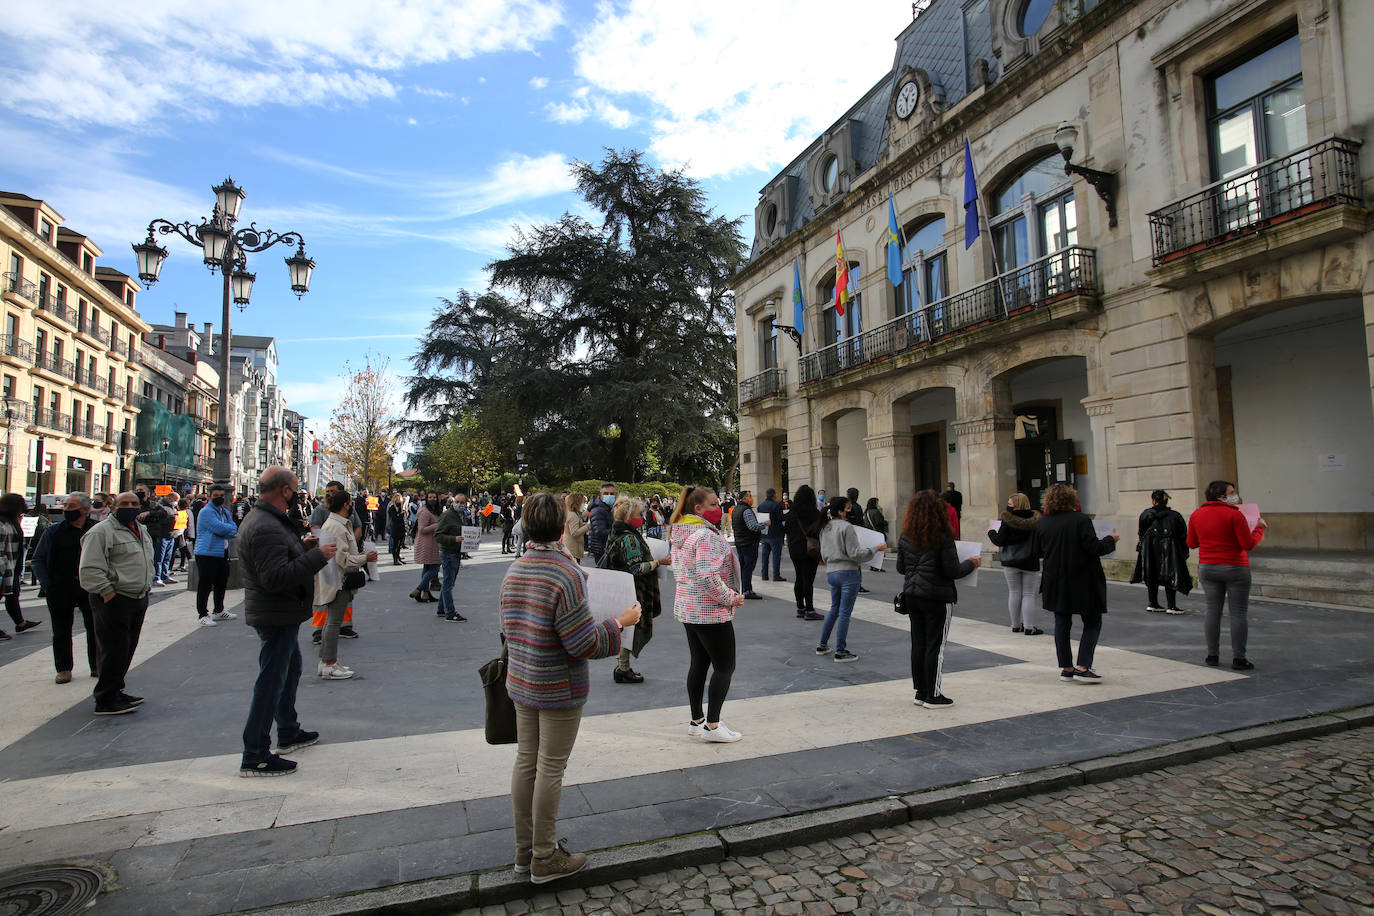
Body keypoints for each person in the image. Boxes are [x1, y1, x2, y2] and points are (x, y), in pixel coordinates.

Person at [501, 492, 639, 884]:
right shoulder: (566, 574)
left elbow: (509, 629)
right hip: (557, 684)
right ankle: (544, 857)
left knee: (527, 761)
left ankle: (524, 851)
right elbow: (583, 643)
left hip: (523, 679)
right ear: (562, 527)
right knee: (549, 767)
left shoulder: (515, 570)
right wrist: (619, 623)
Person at [236, 467, 336, 777]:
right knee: (271, 681)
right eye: (296, 488)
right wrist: (317, 557)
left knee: (288, 670)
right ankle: (255, 753)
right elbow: (274, 578)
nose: (299, 493)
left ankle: (288, 730)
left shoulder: (268, 520)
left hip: (281, 612)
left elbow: (278, 560)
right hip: (274, 612)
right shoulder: (266, 525)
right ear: (285, 491)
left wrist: (301, 550)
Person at [670, 485, 745, 741]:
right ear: (698, 509)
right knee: (725, 666)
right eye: (713, 505)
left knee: (699, 662)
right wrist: (732, 598)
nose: (718, 509)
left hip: (688, 608)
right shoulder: (705, 536)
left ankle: (697, 719)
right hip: (709, 611)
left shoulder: (682, 532)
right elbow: (707, 576)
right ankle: (713, 725)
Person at [898, 490, 980, 707]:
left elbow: (900, 567)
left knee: (919, 643)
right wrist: (972, 563)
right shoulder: (942, 535)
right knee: (936, 645)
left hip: (912, 594)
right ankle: (933, 694)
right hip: (937, 596)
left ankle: (920, 691)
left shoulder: (905, 534)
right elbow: (952, 570)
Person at [78, 491, 155, 715]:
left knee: (126, 648)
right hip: (114, 598)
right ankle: (105, 699)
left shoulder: (141, 530)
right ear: (113, 506)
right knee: (113, 649)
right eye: (124, 503)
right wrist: (108, 592)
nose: (130, 507)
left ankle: (116, 690)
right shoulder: (101, 532)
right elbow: (90, 569)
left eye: (134, 503)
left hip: (137, 596)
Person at [1033, 483, 1118, 684]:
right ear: (1072, 499)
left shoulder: (1043, 523)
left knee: (1062, 622)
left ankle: (1066, 667)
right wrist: (1111, 539)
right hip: (1083, 578)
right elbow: (1093, 547)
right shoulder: (1081, 520)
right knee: (1092, 621)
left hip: (1055, 578)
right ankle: (1083, 665)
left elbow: (1038, 552)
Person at [1187, 480, 1266, 670]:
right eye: (1232, 492)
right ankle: (1239, 658)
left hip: (1208, 566)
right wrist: (1260, 528)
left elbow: (1191, 543)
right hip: (1235, 566)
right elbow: (1247, 544)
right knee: (1238, 613)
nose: (1235, 495)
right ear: (1221, 496)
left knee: (1212, 611)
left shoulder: (1197, 514)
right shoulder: (1234, 515)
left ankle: (1212, 655)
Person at [602, 496, 671, 683]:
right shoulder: (629, 538)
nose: (640, 517)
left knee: (627, 628)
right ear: (627, 517)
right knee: (631, 629)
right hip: (634, 589)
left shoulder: (618, 532)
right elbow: (636, 568)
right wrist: (658, 562)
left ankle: (622, 666)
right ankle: (623, 668)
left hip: (623, 587)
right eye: (637, 514)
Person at [32, 492, 97, 683]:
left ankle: (96, 664)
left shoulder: (95, 529)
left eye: (71, 506)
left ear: (85, 509)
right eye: (66, 506)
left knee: (94, 627)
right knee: (61, 630)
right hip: (60, 586)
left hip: (89, 585)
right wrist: (47, 584)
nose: (66, 510)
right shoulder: (54, 531)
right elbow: (38, 559)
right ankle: (63, 668)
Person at [313, 489, 374, 679]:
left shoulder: (336, 524)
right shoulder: (337, 527)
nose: (352, 506)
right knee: (334, 622)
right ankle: (329, 663)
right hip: (338, 580)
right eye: (349, 503)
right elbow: (343, 558)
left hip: (336, 578)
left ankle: (327, 661)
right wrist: (365, 558)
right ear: (345, 505)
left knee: (332, 622)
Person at [815, 495, 879, 663]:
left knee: (834, 608)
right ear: (841, 510)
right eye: (848, 508)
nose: (850, 511)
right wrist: (875, 549)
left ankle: (822, 644)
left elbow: (823, 553)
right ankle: (841, 651)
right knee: (844, 612)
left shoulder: (825, 527)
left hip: (831, 572)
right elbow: (855, 553)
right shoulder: (846, 527)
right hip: (848, 572)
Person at [988, 493, 1043, 635]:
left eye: (1010, 504)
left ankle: (1015, 625)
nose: (1008, 506)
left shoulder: (1008, 520)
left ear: (1015, 505)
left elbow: (999, 541)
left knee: (1014, 592)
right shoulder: (1036, 520)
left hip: (1010, 561)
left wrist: (991, 532)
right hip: (1030, 559)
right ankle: (1029, 627)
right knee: (1029, 594)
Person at [1132, 489, 1191, 614]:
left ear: (1154, 501)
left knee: (1151, 573)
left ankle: (1153, 603)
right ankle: (1171, 605)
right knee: (1169, 573)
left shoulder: (1145, 514)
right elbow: (1182, 534)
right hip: (1170, 548)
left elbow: (1141, 532)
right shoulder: (1175, 516)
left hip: (1150, 549)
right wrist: (1184, 551)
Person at [194, 483, 239, 627]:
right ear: (209, 496)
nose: (219, 498)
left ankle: (219, 610)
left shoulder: (224, 511)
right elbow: (219, 528)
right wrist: (229, 530)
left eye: (221, 495)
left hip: (222, 552)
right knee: (205, 585)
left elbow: (233, 527)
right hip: (207, 552)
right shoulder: (206, 512)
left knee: (221, 582)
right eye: (216, 496)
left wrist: (229, 530)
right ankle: (202, 614)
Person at [0, 493, 40, 639]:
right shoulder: (3, 524)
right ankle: (20, 623)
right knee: (11, 595)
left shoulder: (10, 523)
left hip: (10, 570)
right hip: (5, 570)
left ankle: (20, 622)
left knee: (13, 595)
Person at [784, 485, 824, 620]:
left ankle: (800, 607)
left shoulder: (791, 513)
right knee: (808, 579)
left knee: (799, 577)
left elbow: (787, 530)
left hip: (794, 549)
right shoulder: (814, 513)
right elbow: (820, 531)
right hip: (810, 550)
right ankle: (810, 610)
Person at [434, 493, 467, 621]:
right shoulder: (447, 515)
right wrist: (454, 539)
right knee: (448, 583)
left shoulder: (461, 516)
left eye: (462, 502)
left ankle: (441, 609)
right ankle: (450, 612)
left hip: (455, 552)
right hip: (448, 553)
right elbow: (438, 535)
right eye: (457, 501)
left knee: (449, 582)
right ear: (453, 502)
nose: (459, 504)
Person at [730, 490, 765, 600]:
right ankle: (747, 589)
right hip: (749, 542)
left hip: (740, 541)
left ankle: (743, 588)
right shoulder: (746, 510)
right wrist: (765, 524)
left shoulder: (736, 509)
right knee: (748, 566)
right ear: (745, 498)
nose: (751, 498)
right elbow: (753, 526)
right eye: (750, 496)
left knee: (743, 566)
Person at [409, 491, 440, 603]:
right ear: (426, 498)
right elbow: (422, 529)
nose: (433, 499)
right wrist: (437, 525)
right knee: (435, 567)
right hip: (426, 543)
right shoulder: (425, 512)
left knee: (427, 568)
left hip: (433, 543)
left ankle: (426, 594)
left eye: (434, 497)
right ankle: (419, 589)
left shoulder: (434, 510)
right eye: (430, 497)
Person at [757, 489, 786, 582]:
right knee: (776, 556)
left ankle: (764, 575)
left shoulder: (761, 506)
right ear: (774, 495)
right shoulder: (776, 505)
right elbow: (781, 518)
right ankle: (776, 575)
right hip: (776, 534)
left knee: (765, 556)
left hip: (765, 534)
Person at [586, 482, 616, 563]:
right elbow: (600, 532)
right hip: (601, 549)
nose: (609, 496)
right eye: (606, 493)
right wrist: (617, 530)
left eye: (612, 494)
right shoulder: (598, 510)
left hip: (605, 548)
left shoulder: (607, 508)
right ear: (601, 495)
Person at [863, 497, 888, 573]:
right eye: (877, 503)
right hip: (877, 533)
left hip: (870, 533)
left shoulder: (866, 512)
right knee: (879, 551)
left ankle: (872, 566)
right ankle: (877, 567)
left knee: (874, 550)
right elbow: (879, 523)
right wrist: (885, 523)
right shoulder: (875, 512)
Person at [562, 493, 588, 564]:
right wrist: (587, 527)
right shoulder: (573, 515)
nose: (584, 504)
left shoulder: (572, 513)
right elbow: (574, 533)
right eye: (583, 502)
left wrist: (582, 525)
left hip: (570, 546)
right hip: (572, 547)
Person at [387, 493, 407, 565]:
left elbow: (403, 518)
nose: (398, 500)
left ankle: (398, 558)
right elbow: (394, 518)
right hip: (396, 528)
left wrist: (405, 513)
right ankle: (395, 559)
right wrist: (401, 514)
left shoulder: (402, 507)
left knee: (400, 545)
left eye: (399, 499)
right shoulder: (392, 507)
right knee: (396, 545)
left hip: (402, 527)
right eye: (397, 499)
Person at [173, 497, 193, 573]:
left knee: (182, 549)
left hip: (181, 533)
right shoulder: (187, 511)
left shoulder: (183, 512)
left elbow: (188, 524)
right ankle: (183, 565)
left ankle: (184, 565)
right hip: (183, 533)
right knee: (183, 550)